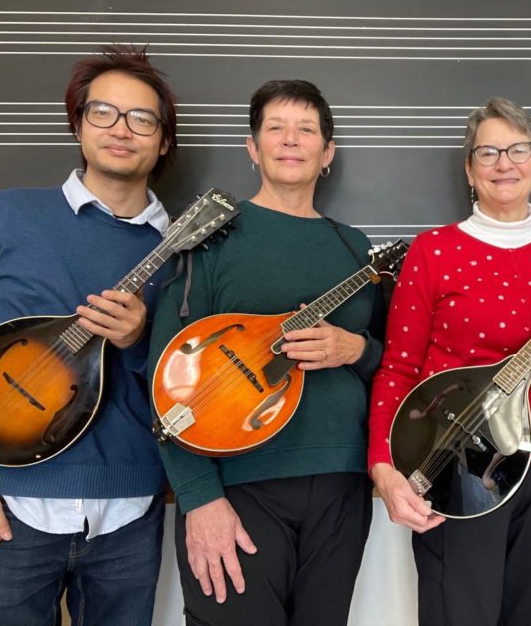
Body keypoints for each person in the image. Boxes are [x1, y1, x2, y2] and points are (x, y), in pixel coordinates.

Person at [368, 97, 531, 626]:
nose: (505, 163)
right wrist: (383, 467)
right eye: (488, 152)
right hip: (456, 465)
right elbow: (398, 369)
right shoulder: (433, 252)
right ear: (469, 170)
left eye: (518, 149)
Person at [149, 79, 385, 625]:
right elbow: (165, 376)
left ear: (328, 153)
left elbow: (390, 365)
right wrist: (199, 498)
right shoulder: (211, 239)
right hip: (237, 488)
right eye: (275, 128)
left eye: (306, 130)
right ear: (252, 147)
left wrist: (357, 349)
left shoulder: (357, 247)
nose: (290, 139)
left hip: (341, 487)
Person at [0, 44, 178, 625]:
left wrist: (140, 341)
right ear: (78, 125)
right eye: (103, 112)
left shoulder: (186, 253)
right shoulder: (6, 216)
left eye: (142, 118)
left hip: (131, 513)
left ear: (163, 141)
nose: (122, 129)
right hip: (4, 505)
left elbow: (194, 389)